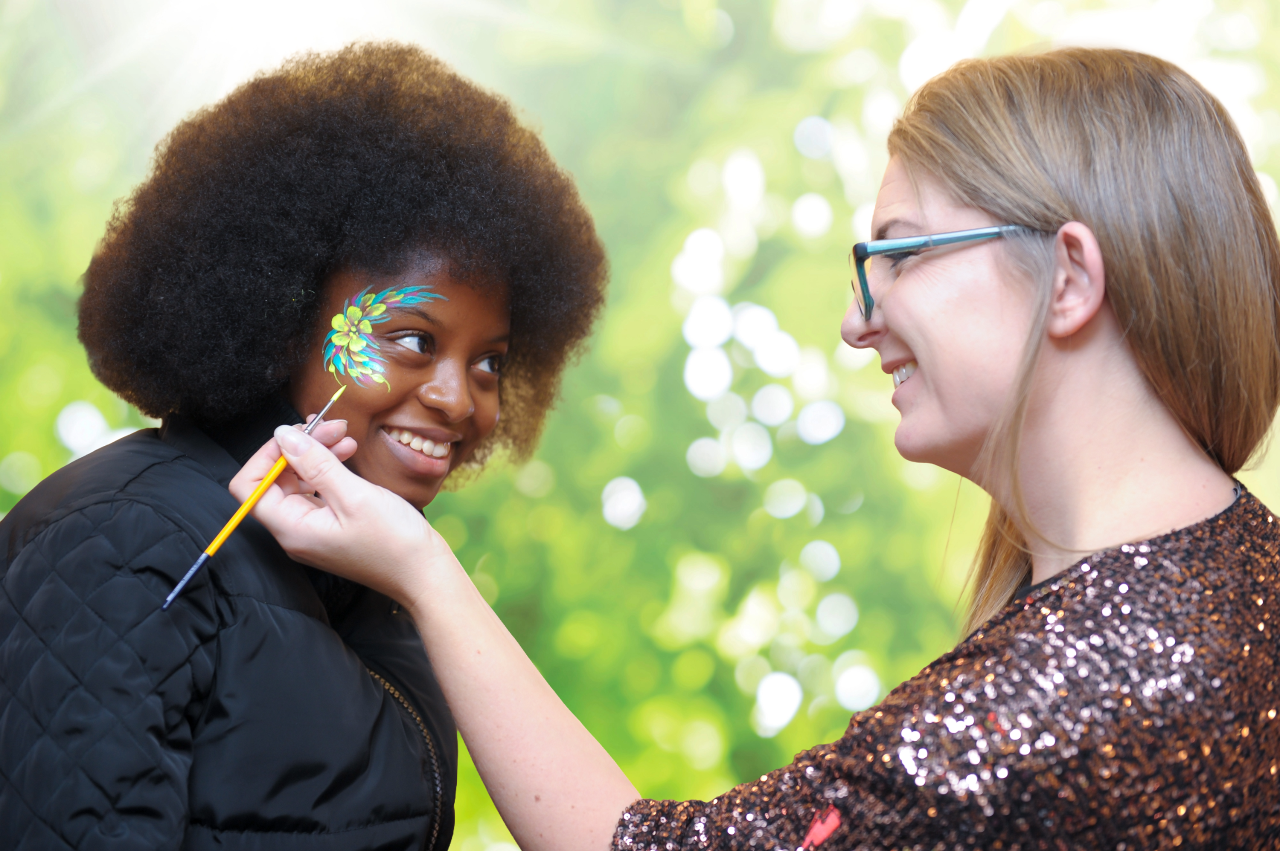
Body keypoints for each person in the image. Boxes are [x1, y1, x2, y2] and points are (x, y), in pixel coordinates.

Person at [237, 48, 1280, 849]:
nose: (854, 322)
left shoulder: (1069, 693)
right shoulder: (1232, 587)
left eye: (896, 256)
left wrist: (422, 571)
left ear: (1068, 279)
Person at [0, 43, 606, 848]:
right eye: (413, 338)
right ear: (282, 317)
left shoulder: (387, 613)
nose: (460, 399)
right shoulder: (131, 537)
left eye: (489, 360)